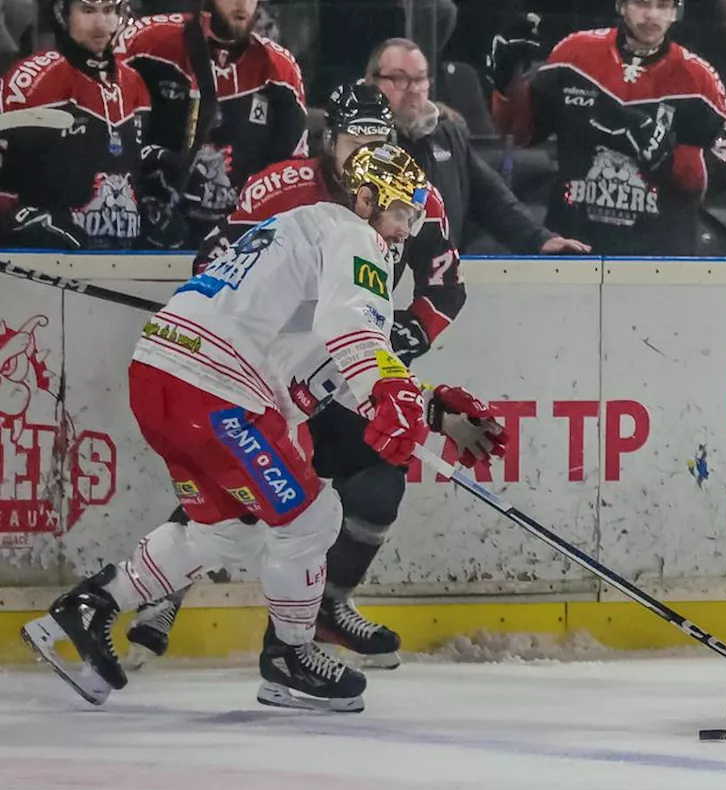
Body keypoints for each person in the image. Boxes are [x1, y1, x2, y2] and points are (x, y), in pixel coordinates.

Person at [20, 142, 506, 713]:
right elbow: (352, 330)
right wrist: (389, 390)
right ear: (367, 199)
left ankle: (89, 608)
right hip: (215, 391)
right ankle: (289, 660)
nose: (406, 230)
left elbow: (324, 363)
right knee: (312, 516)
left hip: (160, 377)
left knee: (227, 531)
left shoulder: (300, 229)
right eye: (402, 212)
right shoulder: (357, 236)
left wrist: (428, 409)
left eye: (416, 217)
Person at [123, 82, 471, 672]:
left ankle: (327, 609)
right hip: (261, 374)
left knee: (380, 477)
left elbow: (445, 291)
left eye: (379, 138)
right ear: (328, 138)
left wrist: (394, 342)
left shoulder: (413, 193)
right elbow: (211, 259)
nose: (368, 149)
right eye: (356, 138)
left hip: (342, 372)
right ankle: (160, 594)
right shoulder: (280, 186)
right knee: (244, 484)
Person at [489, 0, 726, 255]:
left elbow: (722, 172)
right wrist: (507, 84)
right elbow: (520, 134)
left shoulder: (699, 79)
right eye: (642, 3)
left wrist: (670, 157)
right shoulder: (573, 55)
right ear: (621, 5)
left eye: (663, 6)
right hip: (574, 242)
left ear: (677, 11)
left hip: (660, 255)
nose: (652, 14)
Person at [366, 37, 588, 256]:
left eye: (420, 79)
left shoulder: (446, 134)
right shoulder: (355, 141)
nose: (413, 89)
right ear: (372, 82)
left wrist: (539, 240)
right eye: (400, 78)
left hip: (438, 278)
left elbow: (491, 198)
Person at [118, 0, 308, 247]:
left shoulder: (281, 71)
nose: (242, 4)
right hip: (147, 239)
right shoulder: (145, 42)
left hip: (236, 250)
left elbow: (292, 177)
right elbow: (108, 138)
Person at [0, 0, 151, 250]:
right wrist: (28, 222)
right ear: (63, 13)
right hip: (46, 269)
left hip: (123, 265)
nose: (101, 24)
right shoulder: (31, 78)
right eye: (88, 10)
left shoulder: (134, 84)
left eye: (109, 11)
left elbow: (134, 177)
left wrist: (152, 212)